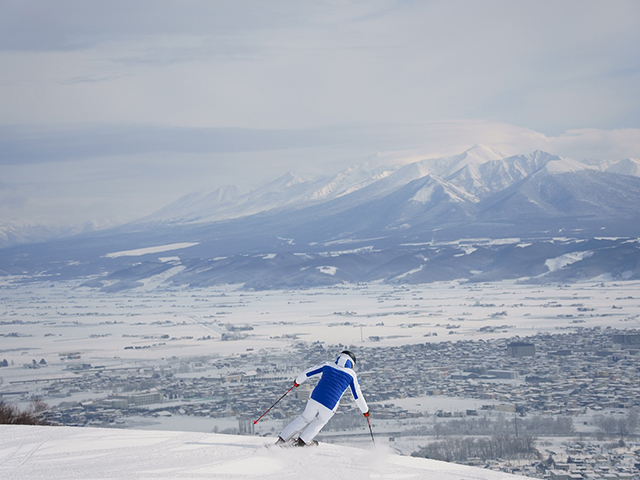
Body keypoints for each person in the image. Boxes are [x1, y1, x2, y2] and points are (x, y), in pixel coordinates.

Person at [277, 350, 370, 446]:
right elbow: (357, 396)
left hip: (315, 398)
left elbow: (308, 372)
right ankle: (302, 442)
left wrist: (297, 382)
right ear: (351, 363)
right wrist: (365, 411)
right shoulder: (351, 374)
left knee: (304, 418)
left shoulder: (328, 365)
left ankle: (282, 439)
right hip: (330, 404)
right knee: (320, 421)